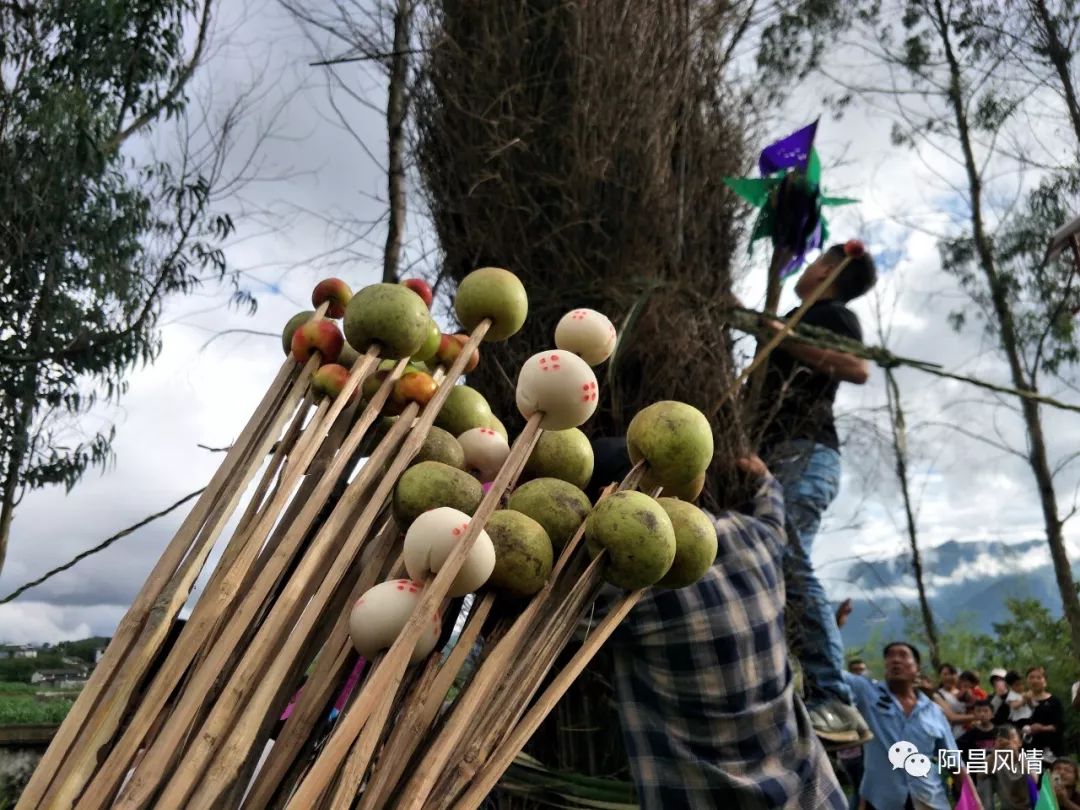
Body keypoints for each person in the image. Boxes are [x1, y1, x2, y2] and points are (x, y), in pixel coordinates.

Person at [590, 441, 847, 808]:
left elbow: (535, 611)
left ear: (605, 502)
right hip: (814, 795)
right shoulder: (755, 537)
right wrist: (764, 478)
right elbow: (775, 513)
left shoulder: (626, 593)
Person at [757, 243, 877, 742]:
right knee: (768, 564)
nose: (806, 268)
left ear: (829, 269)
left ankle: (834, 697)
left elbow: (858, 369)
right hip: (777, 455)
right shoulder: (795, 316)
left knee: (785, 554)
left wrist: (786, 340)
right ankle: (790, 686)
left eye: (813, 261)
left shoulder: (833, 314)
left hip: (805, 452)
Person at [842, 641, 957, 810]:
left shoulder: (933, 711)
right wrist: (835, 624)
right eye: (889, 656)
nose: (895, 660)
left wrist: (973, 803)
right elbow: (831, 672)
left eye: (903, 655)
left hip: (928, 800)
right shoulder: (867, 693)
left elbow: (954, 762)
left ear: (917, 667)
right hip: (881, 801)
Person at [837, 660, 871, 810]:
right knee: (861, 790)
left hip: (851, 753)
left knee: (860, 789)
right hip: (853, 752)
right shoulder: (845, 697)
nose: (860, 673)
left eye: (862, 670)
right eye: (857, 670)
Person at [957, 700, 997, 807]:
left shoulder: (999, 732)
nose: (982, 714)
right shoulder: (969, 735)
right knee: (986, 803)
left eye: (986, 711)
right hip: (979, 776)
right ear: (974, 714)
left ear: (992, 713)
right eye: (979, 711)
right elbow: (961, 755)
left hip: (999, 774)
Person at [1021, 665, 1065, 758]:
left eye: (1039, 677)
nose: (1035, 680)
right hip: (1027, 749)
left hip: (1050, 749)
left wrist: (1041, 728)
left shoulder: (1054, 701)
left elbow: (1059, 725)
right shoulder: (1020, 701)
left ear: (1045, 681)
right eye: (1031, 677)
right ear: (1026, 681)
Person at [987, 725, 1032, 809]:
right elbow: (981, 776)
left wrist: (1016, 755)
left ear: (1020, 742)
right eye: (1002, 738)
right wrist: (995, 752)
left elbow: (1033, 780)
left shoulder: (1027, 758)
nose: (1007, 741)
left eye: (1011, 737)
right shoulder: (992, 759)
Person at [933, 663, 974, 739]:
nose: (949, 677)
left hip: (968, 736)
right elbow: (951, 717)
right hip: (951, 737)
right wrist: (977, 716)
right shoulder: (937, 695)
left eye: (952, 674)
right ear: (940, 677)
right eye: (945, 674)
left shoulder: (964, 693)